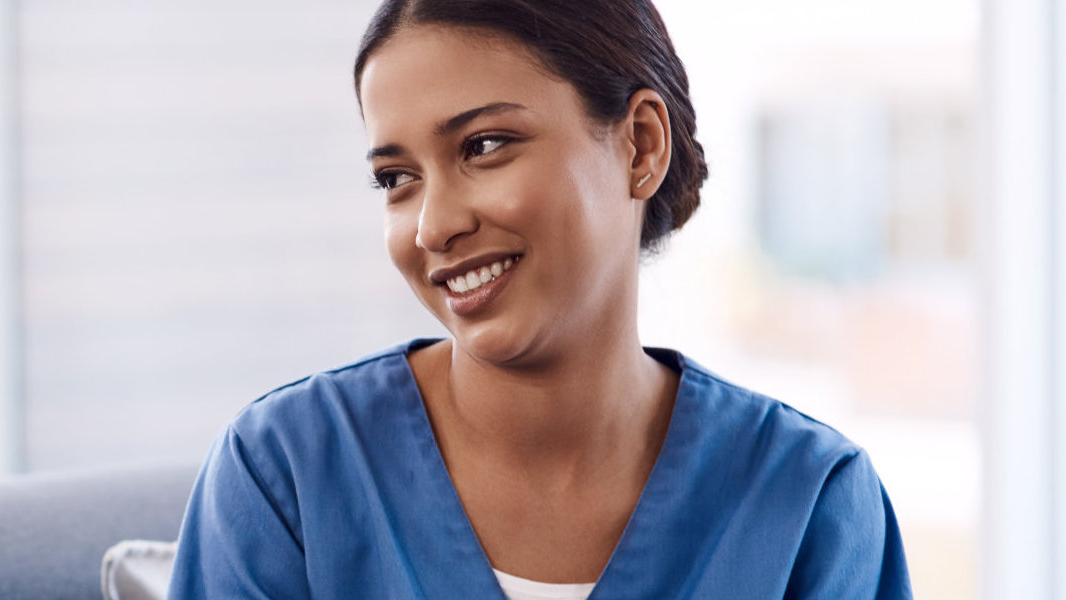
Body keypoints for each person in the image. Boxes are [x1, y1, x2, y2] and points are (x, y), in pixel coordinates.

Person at [168, 1, 913, 598]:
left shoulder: (810, 504)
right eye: (397, 179)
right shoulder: (285, 476)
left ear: (641, 146)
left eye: (484, 146)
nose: (434, 225)